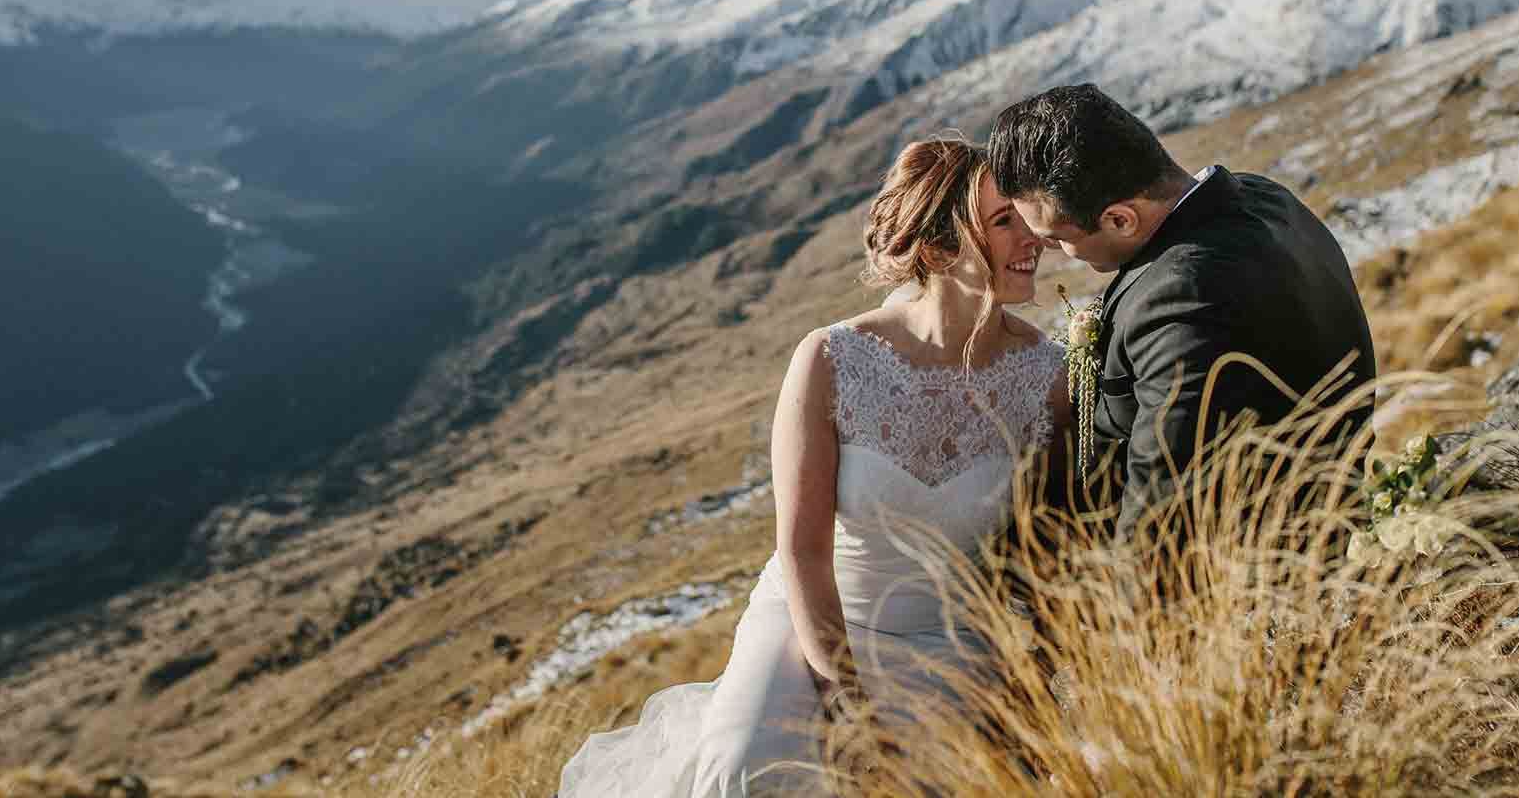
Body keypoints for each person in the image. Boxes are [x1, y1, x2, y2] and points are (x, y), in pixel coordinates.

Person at [558, 138, 1069, 796]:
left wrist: (1032, 677)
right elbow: (802, 552)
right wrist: (849, 702)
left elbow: (1047, 547)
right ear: (941, 247)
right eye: (1005, 222)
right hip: (814, 624)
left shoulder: (1046, 376)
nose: (1034, 236)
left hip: (953, 641)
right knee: (751, 769)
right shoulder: (832, 358)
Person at [987, 83, 1375, 546]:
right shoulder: (1265, 197)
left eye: (1057, 236)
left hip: (1260, 574)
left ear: (1120, 220)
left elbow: (1164, 510)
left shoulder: (1180, 300)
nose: (1052, 249)